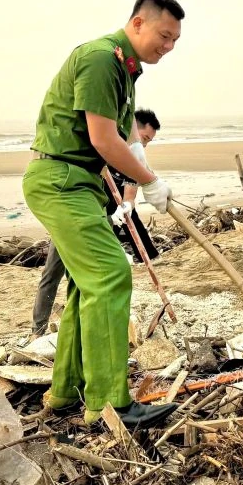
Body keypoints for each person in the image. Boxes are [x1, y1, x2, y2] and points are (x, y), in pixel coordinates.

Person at [23, 0, 184, 427]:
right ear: (137, 23)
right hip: (60, 180)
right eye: (163, 35)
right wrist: (148, 182)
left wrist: (140, 155)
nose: (168, 47)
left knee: (84, 284)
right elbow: (101, 139)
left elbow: (123, 126)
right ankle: (109, 403)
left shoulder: (126, 70)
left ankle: (67, 392)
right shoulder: (100, 59)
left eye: (175, 41)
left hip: (81, 183)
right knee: (111, 275)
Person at [31, 108, 162, 337]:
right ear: (133, 129)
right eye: (144, 138)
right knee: (54, 269)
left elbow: (132, 184)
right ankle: (38, 329)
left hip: (103, 215)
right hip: (74, 210)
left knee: (95, 273)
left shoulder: (133, 154)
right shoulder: (104, 144)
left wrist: (127, 206)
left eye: (148, 142)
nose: (145, 145)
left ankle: (87, 326)